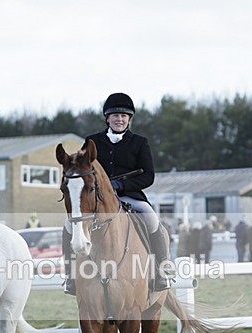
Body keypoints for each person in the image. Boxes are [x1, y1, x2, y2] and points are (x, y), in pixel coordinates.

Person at [62, 92, 171, 295]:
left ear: (129, 119)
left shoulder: (139, 142)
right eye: (115, 116)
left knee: (151, 218)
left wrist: (121, 185)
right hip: (96, 199)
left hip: (129, 196)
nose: (119, 119)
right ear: (107, 118)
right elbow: (82, 167)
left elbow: (148, 176)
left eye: (123, 116)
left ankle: (161, 270)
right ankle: (70, 275)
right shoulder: (93, 141)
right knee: (69, 224)